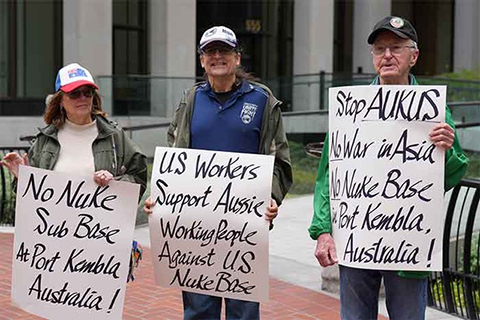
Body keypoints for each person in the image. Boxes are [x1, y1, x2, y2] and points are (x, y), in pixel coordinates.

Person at [309, 16, 469, 320]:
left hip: (408, 241)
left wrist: (447, 150)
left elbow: (448, 176)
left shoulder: (433, 109)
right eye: (380, 49)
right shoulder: (351, 107)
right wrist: (323, 230)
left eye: (396, 47)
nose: (387, 56)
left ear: (414, 55)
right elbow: (329, 174)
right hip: (355, 238)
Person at [143, 25, 293, 320]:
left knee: (244, 312)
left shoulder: (262, 100)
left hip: (245, 226)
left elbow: (279, 160)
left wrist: (272, 197)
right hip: (195, 227)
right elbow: (173, 156)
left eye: (224, 50)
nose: (217, 57)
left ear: (237, 58)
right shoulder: (190, 101)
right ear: (202, 61)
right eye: (210, 51)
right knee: (199, 310)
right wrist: (157, 195)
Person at [1, 62, 147, 199]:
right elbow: (31, 198)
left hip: (100, 225)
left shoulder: (115, 136)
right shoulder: (45, 140)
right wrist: (22, 178)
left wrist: (115, 182)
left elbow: (139, 178)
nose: (82, 98)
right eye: (74, 93)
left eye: (87, 92)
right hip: (55, 225)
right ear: (60, 100)